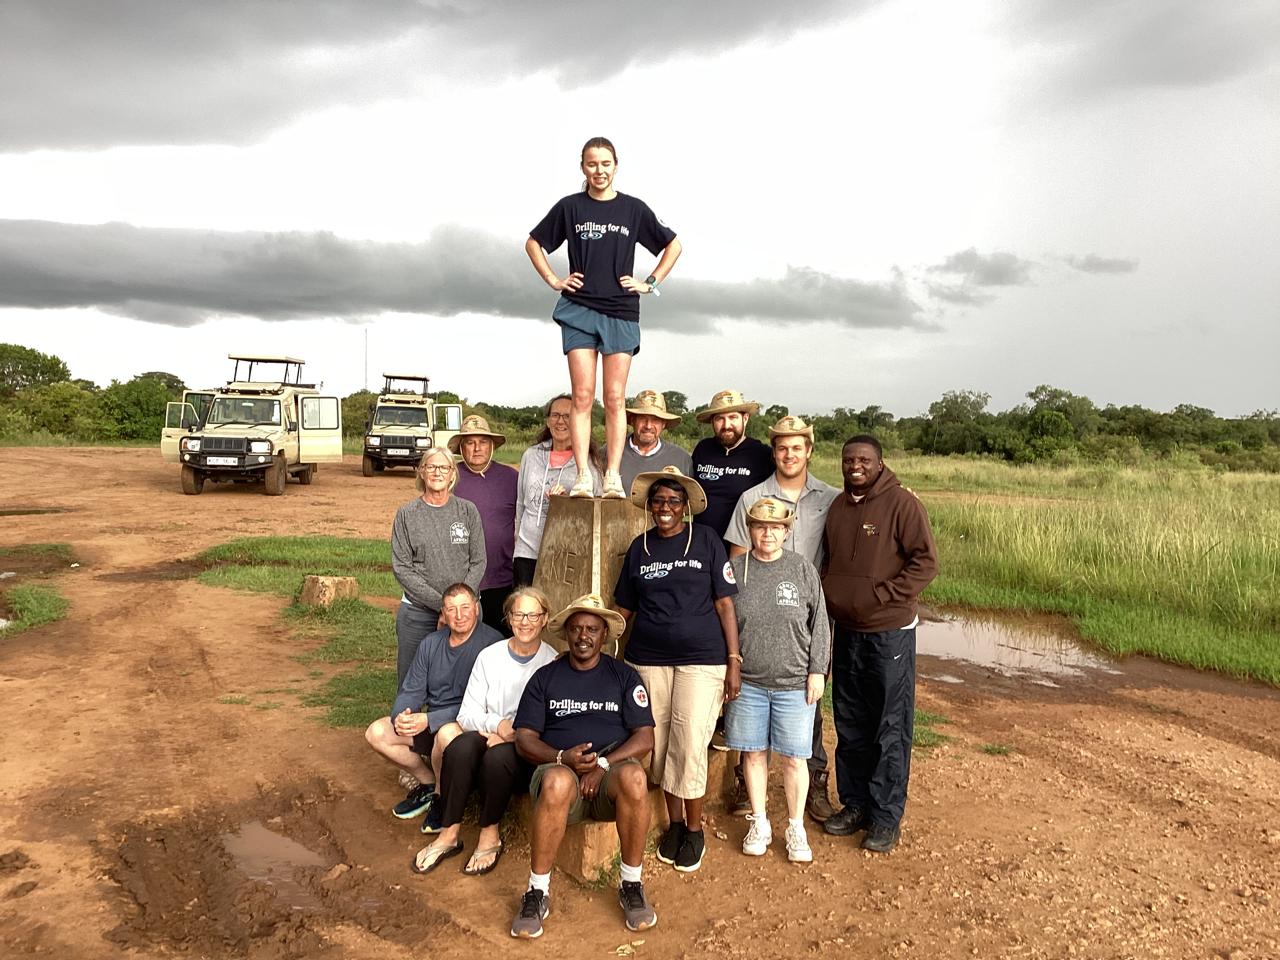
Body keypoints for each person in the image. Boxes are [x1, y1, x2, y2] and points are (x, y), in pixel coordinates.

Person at [525, 136, 682, 501]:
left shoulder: (633, 209)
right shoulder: (570, 207)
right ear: (583, 167)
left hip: (621, 310)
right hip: (579, 308)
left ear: (616, 166)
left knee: (614, 397)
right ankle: (583, 475)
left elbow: (673, 245)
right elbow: (533, 242)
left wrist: (650, 282)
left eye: (605, 163)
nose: (599, 170)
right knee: (582, 395)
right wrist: (553, 279)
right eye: (592, 164)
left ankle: (611, 475)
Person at [613, 466, 741, 874]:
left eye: (673, 501)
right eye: (659, 501)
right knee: (661, 742)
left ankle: (695, 828)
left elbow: (724, 603)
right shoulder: (639, 548)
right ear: (650, 507)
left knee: (689, 742)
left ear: (685, 506)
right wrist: (598, 638)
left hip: (702, 659)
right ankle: (674, 825)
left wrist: (734, 660)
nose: (665, 507)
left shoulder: (706, 540)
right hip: (647, 659)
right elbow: (624, 608)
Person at [510, 594, 657, 939]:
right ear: (566, 633)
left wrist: (603, 764)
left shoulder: (624, 676)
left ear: (604, 635)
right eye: (576, 629)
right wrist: (562, 758)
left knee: (635, 776)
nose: (583, 636)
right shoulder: (545, 678)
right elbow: (524, 739)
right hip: (559, 771)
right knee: (557, 781)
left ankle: (631, 885)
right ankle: (537, 891)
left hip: (609, 777)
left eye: (592, 629)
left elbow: (645, 738)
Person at [822, 435, 939, 853]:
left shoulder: (902, 504)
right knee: (850, 722)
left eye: (864, 460)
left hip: (889, 632)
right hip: (847, 631)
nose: (855, 466)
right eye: (849, 459)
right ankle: (855, 804)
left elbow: (926, 562)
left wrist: (883, 595)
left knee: (889, 725)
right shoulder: (838, 507)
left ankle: (886, 817)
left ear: (880, 464)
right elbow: (830, 561)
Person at [723, 415, 840, 821]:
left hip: (806, 610)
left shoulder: (831, 497)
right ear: (773, 452)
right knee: (750, 705)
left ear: (809, 450)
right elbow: (739, 567)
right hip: (761, 613)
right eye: (782, 448)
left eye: (797, 447)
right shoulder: (752, 498)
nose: (789, 454)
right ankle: (745, 783)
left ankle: (814, 782)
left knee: (808, 700)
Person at [412, 587, 560, 876]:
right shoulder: (490, 657)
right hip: (490, 733)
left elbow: (550, 724)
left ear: (544, 619)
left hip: (523, 748)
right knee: (459, 747)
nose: (525, 622)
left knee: (497, 758)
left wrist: (510, 735)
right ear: (508, 618)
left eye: (533, 615)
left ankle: (489, 833)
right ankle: (449, 833)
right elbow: (467, 714)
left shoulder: (551, 663)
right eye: (518, 614)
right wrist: (498, 726)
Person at [725, 498, 831, 863]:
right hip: (749, 683)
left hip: (794, 682)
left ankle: (795, 826)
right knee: (754, 753)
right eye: (759, 526)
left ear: (786, 532)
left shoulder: (802, 569)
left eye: (775, 527)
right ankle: (760, 822)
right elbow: (723, 621)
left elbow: (820, 624)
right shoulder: (735, 570)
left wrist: (817, 670)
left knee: (794, 759)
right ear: (750, 530)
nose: (767, 533)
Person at [364, 584, 503, 836]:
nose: (459, 615)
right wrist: (402, 715)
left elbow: (483, 706)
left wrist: (430, 719)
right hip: (431, 722)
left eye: (465, 608)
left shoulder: (492, 645)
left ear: (476, 608)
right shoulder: (431, 643)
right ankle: (428, 784)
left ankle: (442, 799)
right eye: (452, 609)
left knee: (446, 734)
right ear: (443, 614)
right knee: (377, 733)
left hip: (468, 728)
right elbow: (411, 689)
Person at [391, 447, 487, 689]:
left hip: (465, 611)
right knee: (411, 682)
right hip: (418, 612)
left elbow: (478, 561)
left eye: (443, 467)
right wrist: (443, 607)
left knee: (467, 681)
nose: (437, 472)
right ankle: (409, 715)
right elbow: (402, 568)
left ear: (452, 473)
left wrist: (457, 607)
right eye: (431, 466)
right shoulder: (406, 514)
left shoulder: (467, 511)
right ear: (422, 472)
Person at [513, 394, 601, 587]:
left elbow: (596, 510)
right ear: (547, 421)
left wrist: (566, 503)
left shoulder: (589, 462)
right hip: (527, 552)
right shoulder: (531, 456)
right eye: (555, 415)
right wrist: (518, 540)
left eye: (568, 416)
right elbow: (520, 503)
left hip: (567, 552)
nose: (560, 421)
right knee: (524, 604)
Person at [451, 414, 519, 633]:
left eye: (483, 442)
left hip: (501, 578)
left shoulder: (511, 478)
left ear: (492, 446)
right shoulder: (450, 477)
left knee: (500, 640)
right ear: (461, 448)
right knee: (463, 639)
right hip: (460, 580)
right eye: (470, 442)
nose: (477, 448)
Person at [691, 389, 775, 545]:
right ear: (712, 422)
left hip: (742, 546)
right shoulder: (703, 449)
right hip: (701, 544)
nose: (726, 425)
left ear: (745, 418)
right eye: (719, 419)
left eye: (733, 417)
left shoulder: (762, 454)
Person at [609, 389, 692, 491]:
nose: (648, 426)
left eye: (655, 420)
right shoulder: (608, 453)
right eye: (642, 418)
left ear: (663, 424)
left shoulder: (681, 459)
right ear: (632, 420)